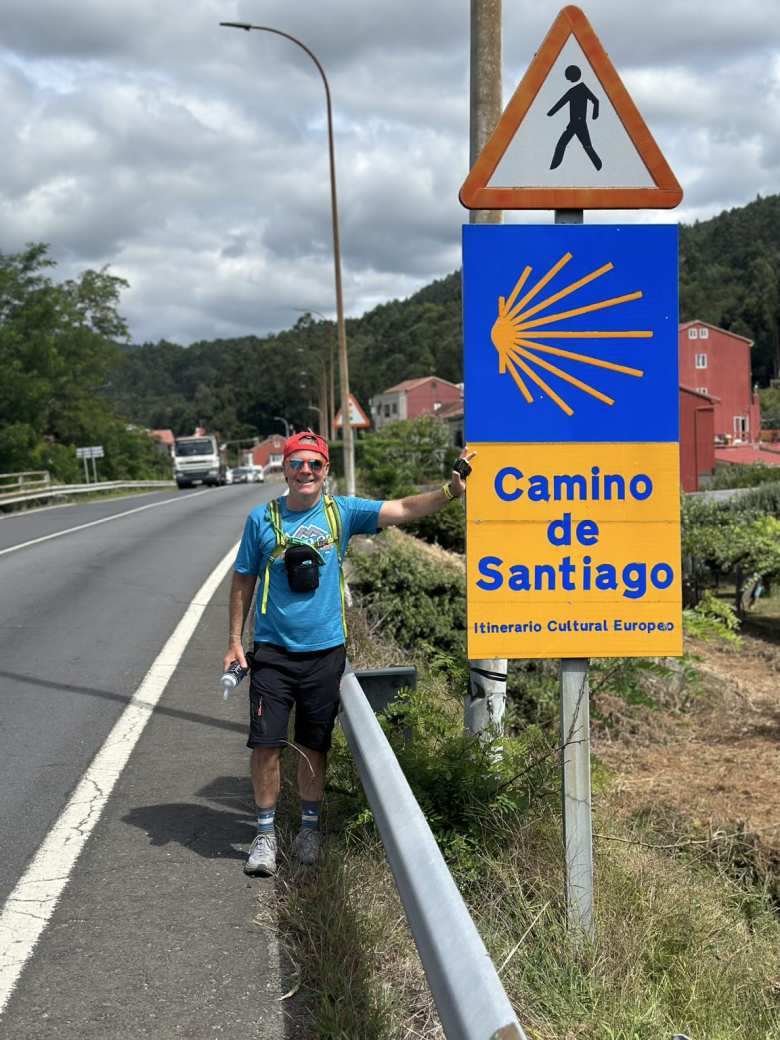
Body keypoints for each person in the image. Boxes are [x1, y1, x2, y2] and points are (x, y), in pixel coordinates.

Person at [224, 430, 475, 876]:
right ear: (284, 469)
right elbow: (243, 579)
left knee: (312, 746)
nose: (305, 471)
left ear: (326, 471)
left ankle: (308, 830)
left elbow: (402, 509)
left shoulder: (342, 513)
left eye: (313, 465)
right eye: (296, 464)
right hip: (272, 654)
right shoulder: (261, 520)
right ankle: (264, 836)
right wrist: (233, 642)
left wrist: (450, 491)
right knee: (266, 745)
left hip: (324, 654)